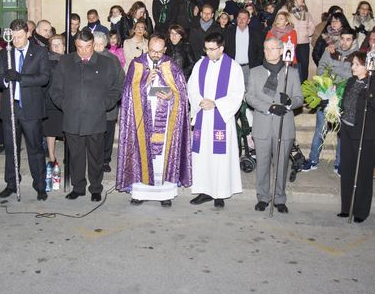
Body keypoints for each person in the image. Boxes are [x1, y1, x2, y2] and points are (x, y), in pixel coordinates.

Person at [50, 29, 124, 202]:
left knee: (96, 156)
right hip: (72, 118)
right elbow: (55, 89)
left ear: (93, 44)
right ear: (75, 45)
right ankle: (78, 187)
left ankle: (96, 188)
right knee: (75, 156)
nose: (84, 51)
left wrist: (106, 104)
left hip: (96, 118)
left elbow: (117, 87)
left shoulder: (106, 63)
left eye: (88, 47)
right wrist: (64, 105)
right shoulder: (66, 61)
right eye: (80, 47)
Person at [117, 34, 191, 206]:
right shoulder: (137, 65)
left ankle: (164, 194)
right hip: (142, 120)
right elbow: (127, 93)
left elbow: (181, 94)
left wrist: (171, 96)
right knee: (140, 155)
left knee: (162, 158)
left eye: (159, 51)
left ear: (165, 50)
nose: (155, 55)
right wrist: (144, 83)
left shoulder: (172, 66)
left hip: (164, 123)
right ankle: (140, 193)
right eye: (152, 51)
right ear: (147, 48)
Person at [0, 19, 50, 200]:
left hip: (30, 108)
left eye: (19, 37)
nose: (16, 41)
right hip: (10, 108)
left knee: (35, 148)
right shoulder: (5, 53)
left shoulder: (40, 52)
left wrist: (20, 78)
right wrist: (5, 79)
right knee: (11, 148)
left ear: (28, 34)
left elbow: (44, 78)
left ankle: (40, 185)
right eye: (13, 37)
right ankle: (11, 183)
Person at [247, 37, 303, 213]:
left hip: (283, 125)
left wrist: (289, 103)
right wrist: (269, 107)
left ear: (281, 50)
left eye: (272, 48)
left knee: (281, 164)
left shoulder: (291, 73)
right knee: (262, 163)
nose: (268, 51)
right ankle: (263, 197)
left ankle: (279, 198)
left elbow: (299, 99)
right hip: (262, 123)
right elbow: (249, 96)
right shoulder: (255, 72)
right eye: (266, 48)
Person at [188, 32, 244, 208]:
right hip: (203, 117)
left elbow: (237, 93)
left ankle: (219, 193)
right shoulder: (200, 64)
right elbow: (192, 87)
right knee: (202, 155)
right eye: (206, 49)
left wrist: (216, 104)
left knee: (220, 157)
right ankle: (204, 190)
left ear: (221, 48)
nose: (208, 52)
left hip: (221, 118)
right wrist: (199, 101)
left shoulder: (233, 67)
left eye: (212, 49)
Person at [338, 51, 375, 223]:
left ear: (368, 67)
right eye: (352, 64)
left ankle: (361, 210)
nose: (352, 67)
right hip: (347, 130)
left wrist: (371, 97)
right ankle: (347, 207)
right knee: (346, 170)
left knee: (363, 172)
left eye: (356, 65)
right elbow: (346, 102)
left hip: (364, 133)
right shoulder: (351, 81)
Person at [307, 27, 359, 173]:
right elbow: (321, 69)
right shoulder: (330, 50)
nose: (344, 42)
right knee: (320, 130)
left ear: (353, 41)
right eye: (342, 39)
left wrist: (333, 67)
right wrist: (330, 79)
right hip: (327, 93)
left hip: (346, 98)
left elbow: (352, 73)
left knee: (342, 132)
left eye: (348, 39)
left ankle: (340, 163)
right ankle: (312, 159)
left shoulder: (358, 55)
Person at [93, 32, 125, 173]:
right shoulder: (86, 58)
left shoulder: (113, 59)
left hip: (109, 104)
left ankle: (106, 160)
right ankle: (94, 159)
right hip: (91, 105)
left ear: (106, 44)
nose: (98, 47)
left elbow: (120, 80)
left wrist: (113, 98)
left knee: (108, 134)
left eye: (101, 44)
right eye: (95, 43)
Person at [279, 0, 317, 83]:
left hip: (303, 43)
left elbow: (312, 26)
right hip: (290, 42)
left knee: (304, 67)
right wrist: (288, 33)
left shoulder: (305, 11)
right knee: (290, 66)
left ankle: (303, 89)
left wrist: (306, 33)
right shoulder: (285, 9)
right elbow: (278, 24)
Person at [224, 9, 264, 91]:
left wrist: (255, 66)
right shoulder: (228, 32)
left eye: (244, 18)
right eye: (239, 18)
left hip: (249, 68)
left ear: (248, 20)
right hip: (233, 67)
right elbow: (223, 50)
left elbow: (260, 51)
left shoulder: (256, 33)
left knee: (249, 93)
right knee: (232, 91)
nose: (241, 20)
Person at [44, 35, 66, 165]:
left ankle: (67, 156)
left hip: (66, 101)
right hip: (50, 100)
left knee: (67, 130)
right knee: (50, 130)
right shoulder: (46, 62)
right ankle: (52, 157)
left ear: (64, 46)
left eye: (59, 44)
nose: (56, 47)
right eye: (53, 44)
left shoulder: (69, 60)